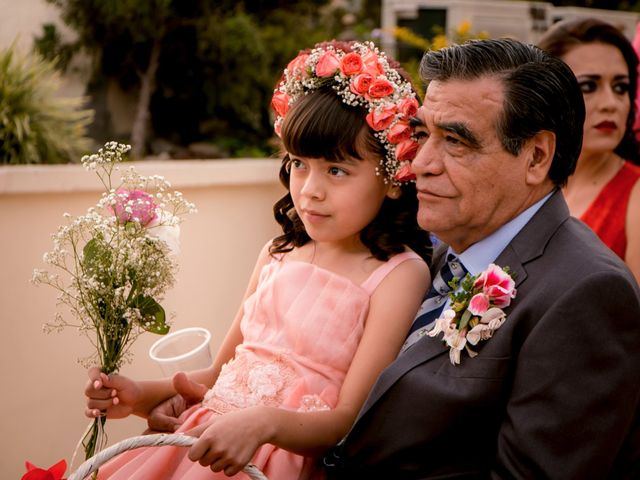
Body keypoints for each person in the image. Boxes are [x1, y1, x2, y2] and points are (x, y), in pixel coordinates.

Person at [83, 40, 432, 479]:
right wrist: (138, 395)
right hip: (206, 442)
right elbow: (216, 375)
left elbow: (347, 418)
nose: (310, 190)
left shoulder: (397, 275)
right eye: (299, 164)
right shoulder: (276, 253)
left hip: (276, 460)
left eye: (337, 170)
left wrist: (264, 424)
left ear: (393, 180)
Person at [323, 38, 640, 479]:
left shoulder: (586, 293)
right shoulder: (423, 254)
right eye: (421, 134)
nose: (421, 164)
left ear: (536, 156)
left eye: (455, 140)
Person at [538, 18, 640, 284]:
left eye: (621, 87)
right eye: (588, 86)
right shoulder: (523, 182)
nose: (611, 103)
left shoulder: (635, 196)